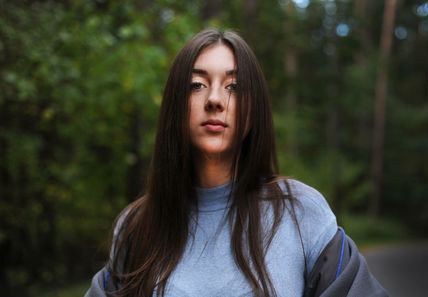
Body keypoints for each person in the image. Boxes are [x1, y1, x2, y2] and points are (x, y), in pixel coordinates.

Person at [85, 28, 387, 297]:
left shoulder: (302, 213)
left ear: (254, 109)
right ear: (175, 104)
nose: (215, 99)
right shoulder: (137, 227)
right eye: (196, 84)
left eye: (234, 86)